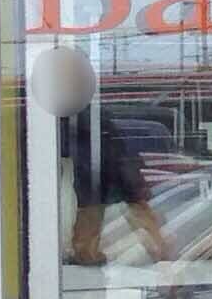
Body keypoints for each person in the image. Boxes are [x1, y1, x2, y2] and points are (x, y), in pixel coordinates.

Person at [66, 99, 172, 267]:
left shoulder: (77, 115)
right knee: (135, 206)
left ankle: (86, 252)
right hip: (112, 152)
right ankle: (162, 253)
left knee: (92, 206)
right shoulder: (93, 116)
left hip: (98, 155)